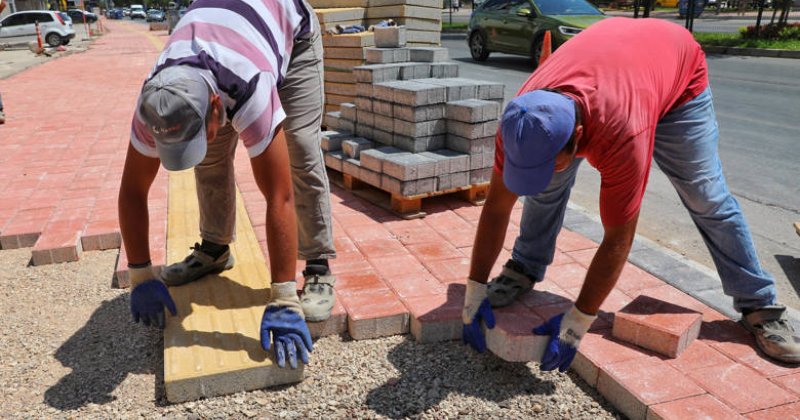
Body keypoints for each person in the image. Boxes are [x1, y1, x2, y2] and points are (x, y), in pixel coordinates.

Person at [462, 17, 799, 370]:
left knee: (706, 196)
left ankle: (759, 303)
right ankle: (524, 268)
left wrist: (577, 323)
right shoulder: (521, 120)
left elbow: (617, 239)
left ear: (578, 136)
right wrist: (473, 291)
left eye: (552, 163)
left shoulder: (622, 134)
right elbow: (497, 209)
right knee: (546, 190)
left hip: (678, 76)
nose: (543, 173)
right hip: (615, 62)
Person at [119, 0, 338, 369]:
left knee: (298, 149)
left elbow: (279, 195)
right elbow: (132, 190)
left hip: (291, 34)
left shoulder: (249, 82)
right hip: (223, 45)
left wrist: (283, 296)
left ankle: (317, 265)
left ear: (217, 107)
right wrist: (140, 274)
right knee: (210, 155)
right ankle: (215, 249)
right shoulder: (156, 101)